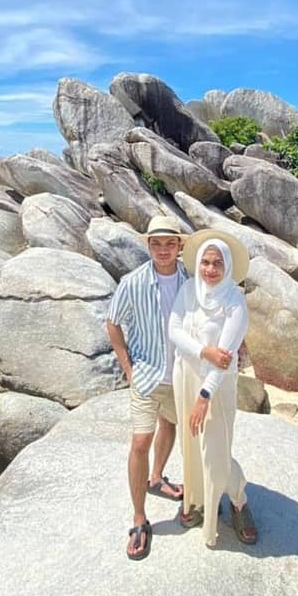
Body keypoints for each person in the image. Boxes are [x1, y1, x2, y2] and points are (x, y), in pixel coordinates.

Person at [106, 214, 189, 562]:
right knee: (140, 441)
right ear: (148, 245)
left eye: (170, 243)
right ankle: (139, 518)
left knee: (169, 426)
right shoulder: (133, 282)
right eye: (157, 243)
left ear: (180, 246)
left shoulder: (192, 280)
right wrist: (127, 368)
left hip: (182, 375)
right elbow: (112, 324)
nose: (163, 249)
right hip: (146, 374)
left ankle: (156, 478)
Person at [169, 229, 257, 549]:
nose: (209, 269)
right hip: (186, 374)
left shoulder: (234, 303)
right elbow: (174, 330)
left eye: (216, 263)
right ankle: (199, 501)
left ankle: (238, 499)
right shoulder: (189, 291)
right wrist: (203, 351)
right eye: (205, 262)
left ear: (228, 266)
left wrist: (204, 396)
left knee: (216, 453)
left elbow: (225, 358)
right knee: (191, 446)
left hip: (215, 387)